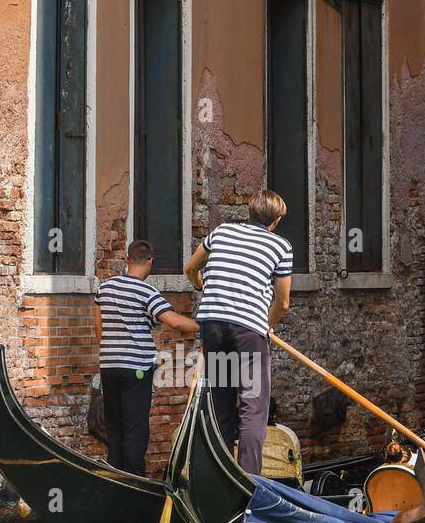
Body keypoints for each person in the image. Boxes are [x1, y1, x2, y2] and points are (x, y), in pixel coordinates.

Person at [184, 190, 293, 474]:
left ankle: (218, 476)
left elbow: (191, 268)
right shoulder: (280, 246)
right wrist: (266, 324)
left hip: (213, 327)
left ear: (250, 211)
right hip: (249, 332)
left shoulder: (221, 232)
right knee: (253, 407)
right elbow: (282, 303)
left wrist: (201, 285)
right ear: (277, 220)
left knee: (221, 402)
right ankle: (249, 483)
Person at [93, 240, 199, 476]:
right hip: (137, 368)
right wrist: (206, 326)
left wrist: (110, 351)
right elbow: (174, 321)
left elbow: (98, 327)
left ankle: (115, 476)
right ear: (150, 261)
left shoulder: (105, 287)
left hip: (109, 365)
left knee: (114, 425)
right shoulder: (147, 292)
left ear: (127, 259)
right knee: (135, 426)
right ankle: (134, 479)